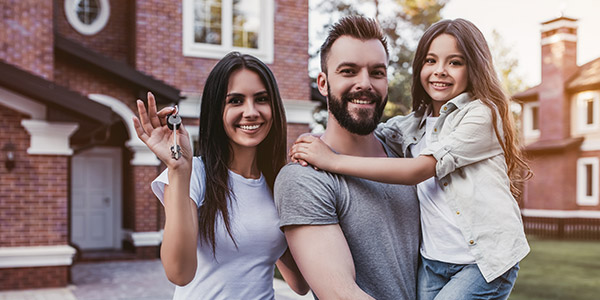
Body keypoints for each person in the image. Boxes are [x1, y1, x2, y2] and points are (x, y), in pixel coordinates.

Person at [290, 18, 532, 300]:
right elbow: (360, 127)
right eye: (431, 60)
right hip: (433, 262)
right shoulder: (415, 124)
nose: (440, 71)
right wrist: (319, 139)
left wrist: (331, 160)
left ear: (474, 68)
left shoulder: (481, 115)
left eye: (455, 62)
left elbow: (421, 169)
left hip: (482, 262)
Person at [132, 52, 309, 299]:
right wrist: (179, 171)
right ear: (217, 110)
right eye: (235, 101)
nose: (251, 111)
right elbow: (179, 273)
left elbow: (301, 283)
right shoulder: (192, 175)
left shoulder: (280, 184)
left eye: (261, 99)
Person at [274, 15, 420, 300]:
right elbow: (341, 295)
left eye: (377, 73)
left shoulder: (405, 150)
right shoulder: (304, 178)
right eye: (349, 71)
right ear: (323, 83)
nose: (365, 83)